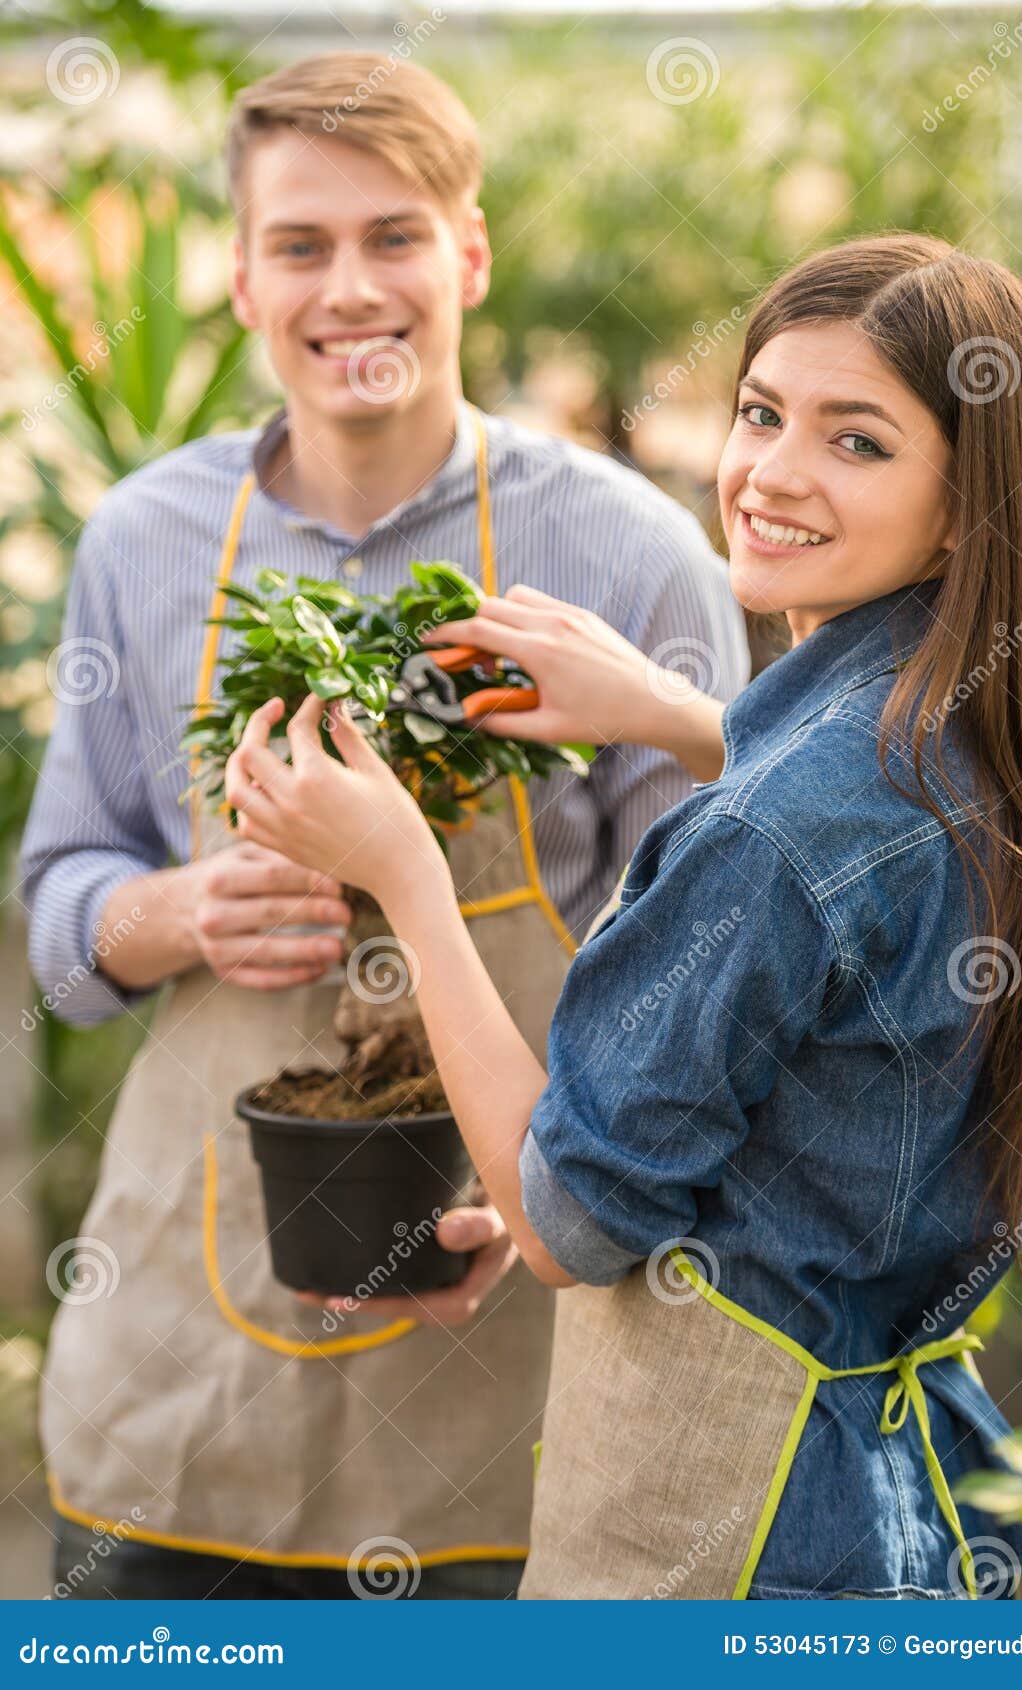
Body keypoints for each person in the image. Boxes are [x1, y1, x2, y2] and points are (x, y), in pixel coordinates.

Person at [227, 233, 1022, 1599]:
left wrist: (405, 878)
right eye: (760, 412)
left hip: (741, 1541)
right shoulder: (991, 737)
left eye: (858, 442)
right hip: (882, 1506)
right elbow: (848, 898)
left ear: (967, 501)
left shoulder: (773, 833)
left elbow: (562, 1227)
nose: (772, 473)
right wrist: (682, 718)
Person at [18, 53, 749, 1599]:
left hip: (521, 1364)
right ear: (241, 275)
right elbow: (62, 913)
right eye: (302, 244)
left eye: (395, 236)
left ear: (468, 253)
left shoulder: (630, 553)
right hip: (185, 1375)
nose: (352, 286)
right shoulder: (146, 540)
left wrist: (557, 1181)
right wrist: (171, 910)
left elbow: (712, 965)